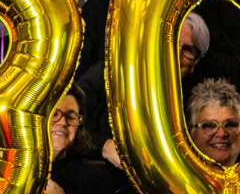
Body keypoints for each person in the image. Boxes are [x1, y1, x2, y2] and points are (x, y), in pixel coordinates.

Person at [80, 11, 211, 169]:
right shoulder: (107, 73)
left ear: (195, 63)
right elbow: (64, 125)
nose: (176, 53)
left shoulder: (192, 105)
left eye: (189, 50)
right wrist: (104, 146)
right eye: (171, 42)